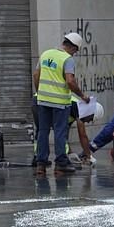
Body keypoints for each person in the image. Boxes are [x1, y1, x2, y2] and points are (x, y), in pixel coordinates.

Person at [32, 32, 90, 175]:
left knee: (43, 131)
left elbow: (35, 75)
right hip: (60, 103)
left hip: (43, 100)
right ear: (73, 47)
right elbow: (70, 81)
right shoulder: (67, 59)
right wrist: (82, 95)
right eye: (76, 51)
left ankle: (41, 164)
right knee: (60, 132)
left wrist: (40, 92)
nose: (75, 54)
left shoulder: (45, 54)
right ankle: (60, 163)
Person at [31, 94, 104, 167]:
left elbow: (64, 136)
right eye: (91, 119)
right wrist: (89, 156)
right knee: (43, 130)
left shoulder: (72, 112)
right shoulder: (78, 108)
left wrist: (70, 153)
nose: (88, 122)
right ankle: (57, 161)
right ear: (90, 112)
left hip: (40, 99)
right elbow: (82, 135)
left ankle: (38, 158)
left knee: (42, 130)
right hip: (42, 100)